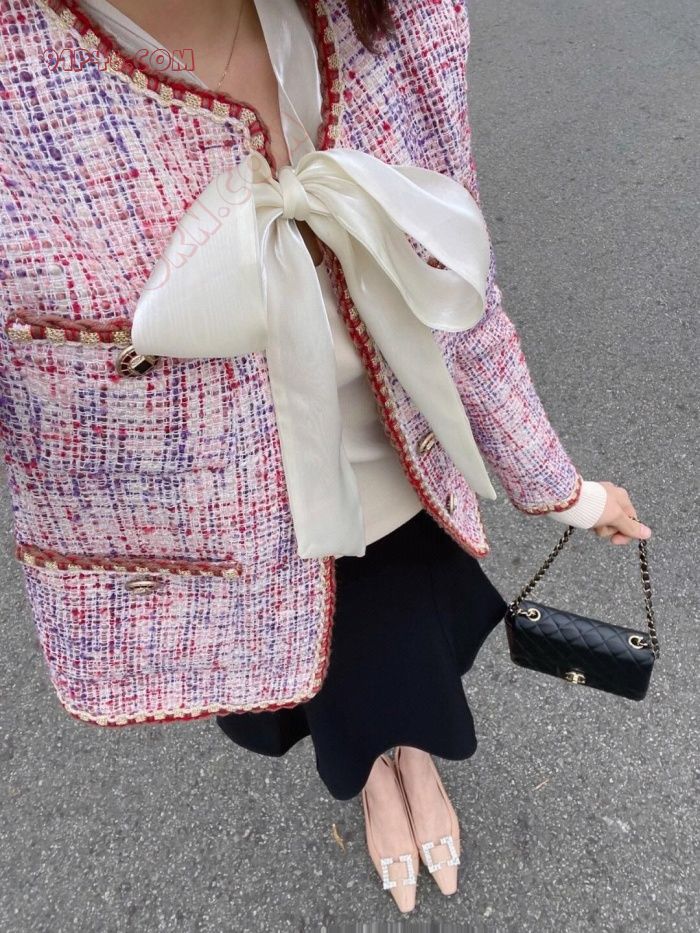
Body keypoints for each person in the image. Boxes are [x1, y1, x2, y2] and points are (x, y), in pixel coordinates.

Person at [0, 0, 651, 914]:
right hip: (249, 548)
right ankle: (377, 777)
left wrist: (566, 491)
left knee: (409, 658)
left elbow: (462, 294)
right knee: (337, 688)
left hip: (402, 479)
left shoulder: (397, 20)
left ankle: (412, 757)